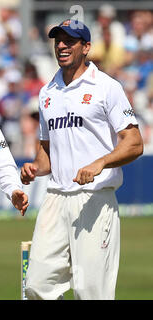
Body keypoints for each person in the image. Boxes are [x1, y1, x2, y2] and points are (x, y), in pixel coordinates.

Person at [21, 20, 144, 300]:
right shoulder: (47, 92)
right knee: (36, 287)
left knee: (91, 292)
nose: (62, 46)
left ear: (86, 47)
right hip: (55, 197)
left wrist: (100, 163)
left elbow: (134, 143)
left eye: (70, 41)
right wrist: (34, 168)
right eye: (58, 41)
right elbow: (46, 153)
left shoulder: (106, 87)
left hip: (93, 199)